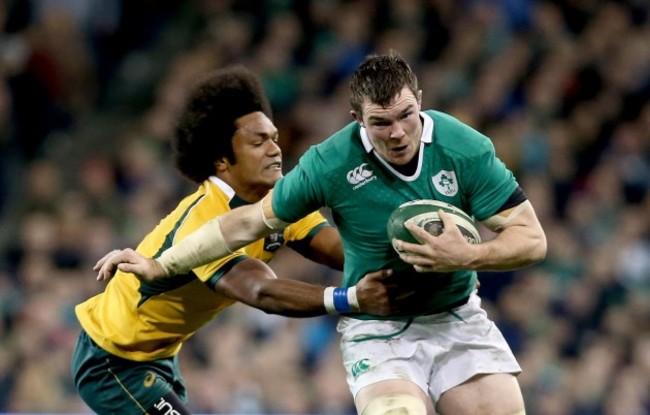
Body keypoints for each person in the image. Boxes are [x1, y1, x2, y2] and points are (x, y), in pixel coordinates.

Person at [98, 52, 547, 415]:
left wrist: (465, 256)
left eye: (406, 116)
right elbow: (246, 225)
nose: (397, 133)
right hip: (380, 332)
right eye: (380, 123)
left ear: (420, 102)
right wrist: (161, 263)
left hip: (456, 317)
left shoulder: (464, 147)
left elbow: (532, 239)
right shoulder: (330, 164)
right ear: (357, 118)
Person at [72, 66, 414, 415]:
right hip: (111, 358)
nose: (274, 150)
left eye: (274, 138)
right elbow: (259, 291)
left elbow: (345, 253)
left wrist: (410, 252)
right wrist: (352, 298)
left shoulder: (280, 201)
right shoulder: (205, 220)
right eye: (257, 142)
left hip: (157, 356)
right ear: (221, 160)